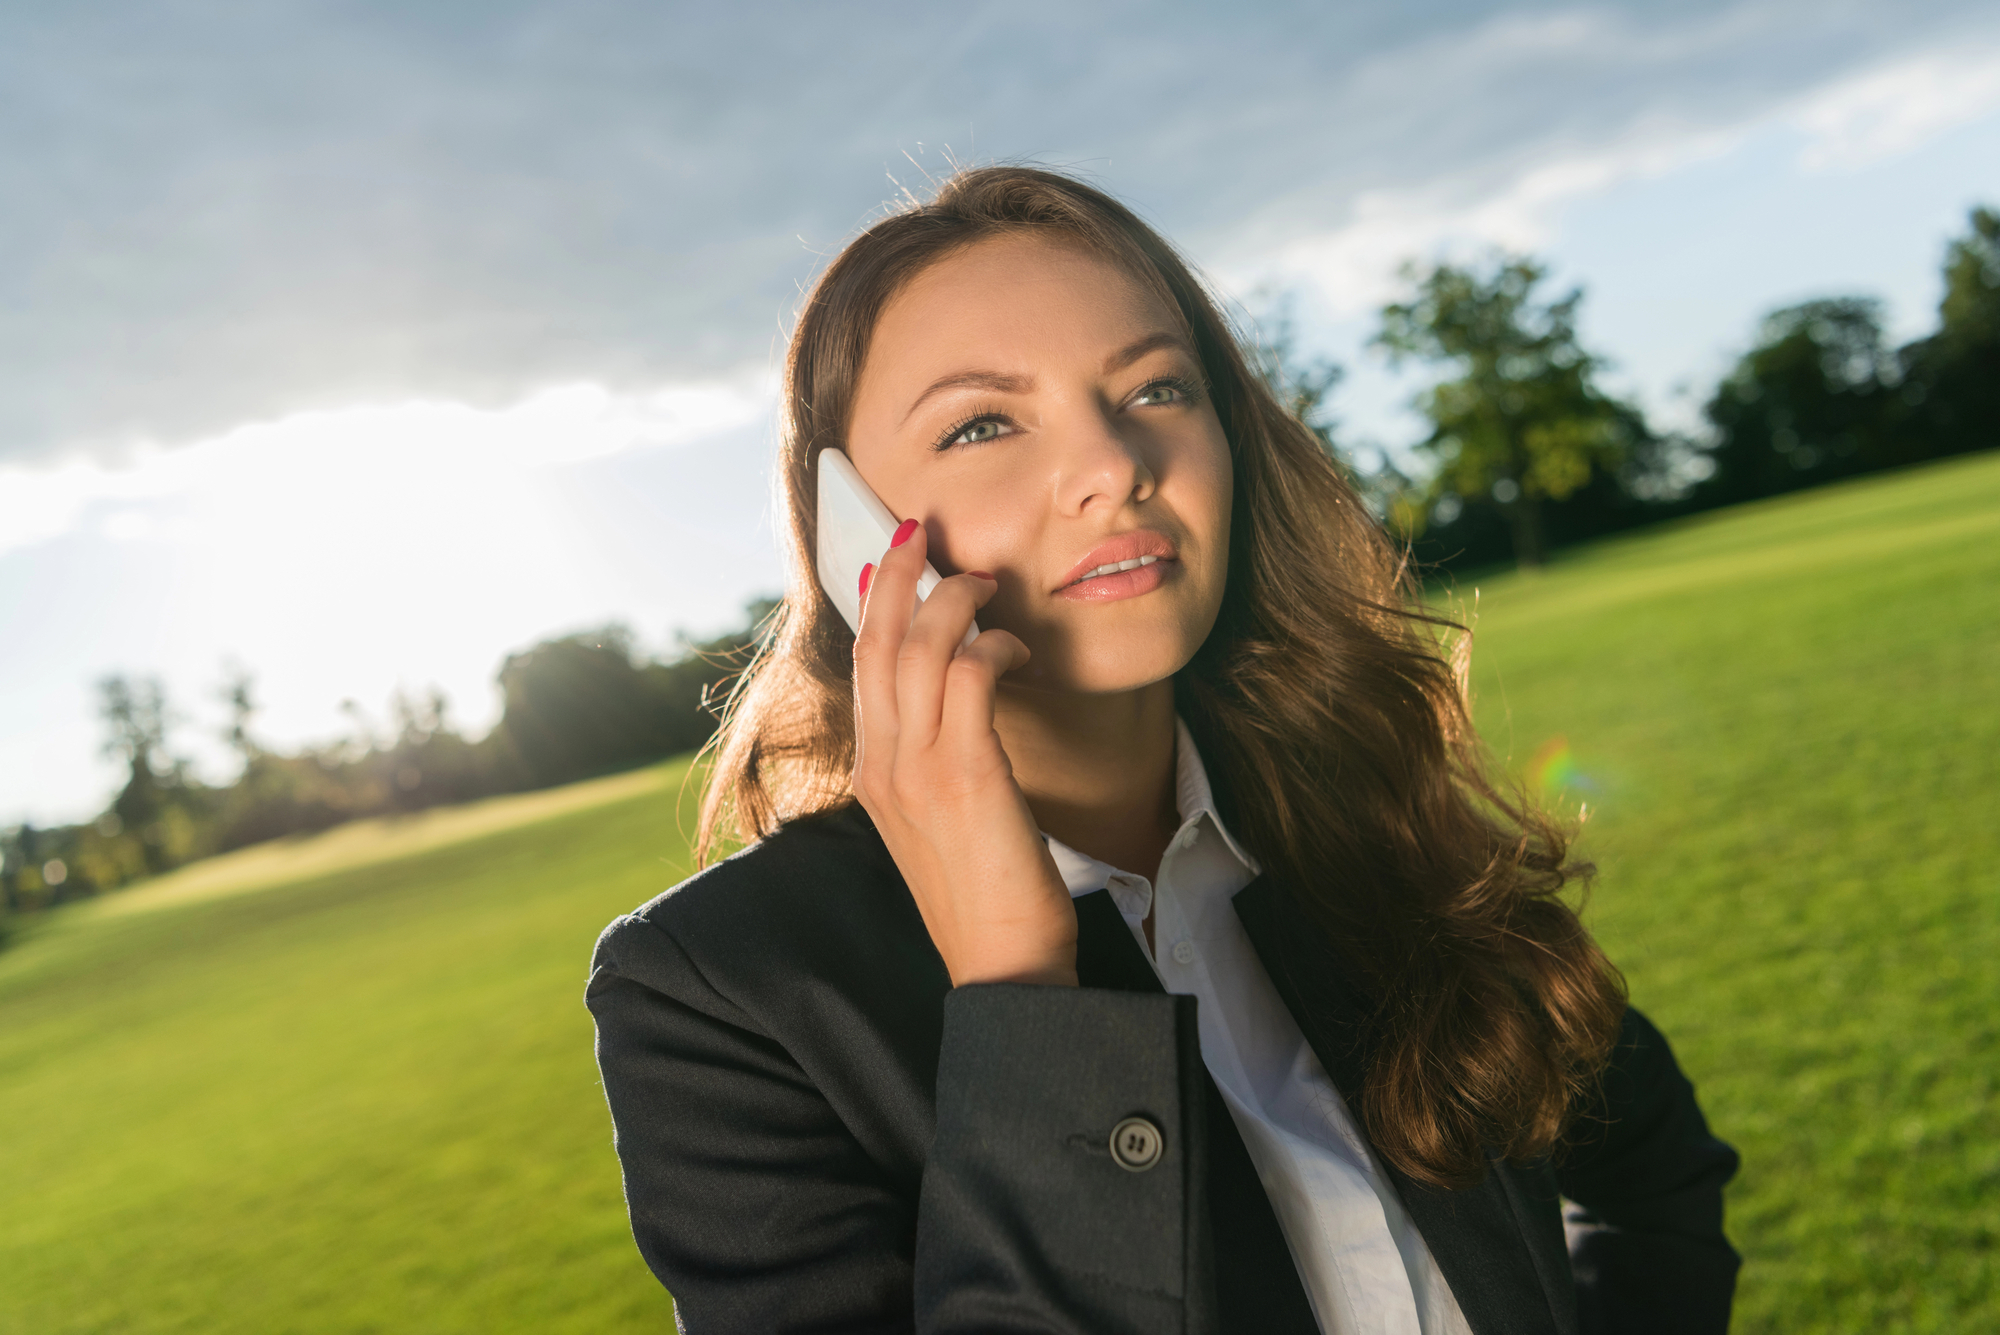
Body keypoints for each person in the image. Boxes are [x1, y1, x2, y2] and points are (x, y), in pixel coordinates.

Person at [586, 166, 1739, 1334]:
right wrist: (1017, 992)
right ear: (852, 540)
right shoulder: (722, 996)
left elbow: (1654, 1173)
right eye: (982, 422)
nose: (1113, 465)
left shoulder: (1354, 802)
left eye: (1155, 388)